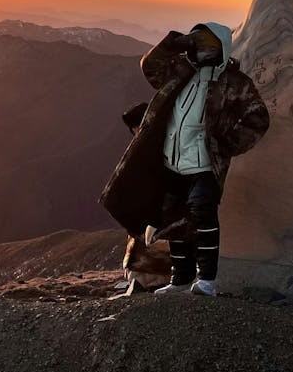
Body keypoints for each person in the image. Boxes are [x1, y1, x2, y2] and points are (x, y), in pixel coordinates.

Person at [100, 22, 270, 296]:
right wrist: (176, 43)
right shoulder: (181, 71)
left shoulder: (234, 82)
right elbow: (149, 66)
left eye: (208, 44)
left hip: (204, 165)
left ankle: (207, 281)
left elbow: (258, 118)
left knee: (203, 214)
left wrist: (225, 144)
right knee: (172, 219)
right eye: (199, 42)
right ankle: (180, 279)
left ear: (222, 47)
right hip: (172, 163)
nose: (203, 49)